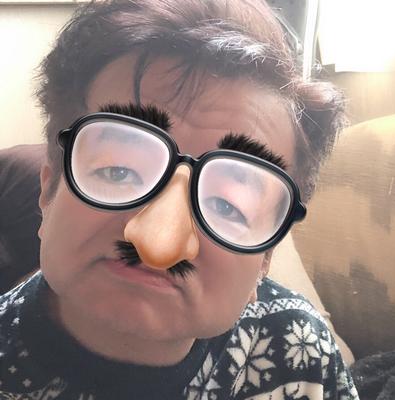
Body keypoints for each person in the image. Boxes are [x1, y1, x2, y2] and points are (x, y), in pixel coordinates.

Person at [0, 0, 359, 398]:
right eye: (119, 172)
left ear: (266, 260)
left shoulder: (302, 355)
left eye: (227, 205)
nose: (159, 244)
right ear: (48, 189)